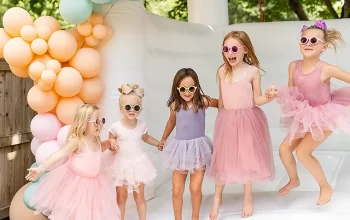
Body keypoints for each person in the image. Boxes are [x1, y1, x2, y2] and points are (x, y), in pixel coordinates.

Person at [271, 19, 350, 205]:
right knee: (284, 149)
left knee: (303, 153)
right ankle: (294, 180)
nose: (308, 44)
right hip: (303, 114)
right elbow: (291, 92)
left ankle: (325, 186)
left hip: (324, 115)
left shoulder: (327, 69)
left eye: (314, 41)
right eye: (304, 40)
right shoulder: (293, 66)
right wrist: (277, 94)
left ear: (324, 47)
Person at [208, 30, 277, 219]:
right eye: (226, 49)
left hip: (248, 119)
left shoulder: (251, 71)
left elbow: (257, 99)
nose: (230, 53)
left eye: (234, 49)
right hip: (227, 119)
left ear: (244, 49)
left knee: (246, 157)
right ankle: (217, 198)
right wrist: (216, 112)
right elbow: (222, 99)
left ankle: (248, 197)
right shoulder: (222, 70)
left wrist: (269, 97)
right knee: (223, 158)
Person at [26, 104, 120, 220]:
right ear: (84, 123)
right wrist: (40, 168)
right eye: (96, 121)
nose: (100, 125)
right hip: (77, 185)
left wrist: (110, 142)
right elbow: (59, 154)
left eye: (102, 120)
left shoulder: (97, 139)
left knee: (92, 214)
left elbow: (100, 148)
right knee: (75, 214)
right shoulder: (77, 142)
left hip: (95, 184)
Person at [160, 68, 218, 220]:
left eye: (191, 88)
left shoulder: (203, 101)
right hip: (180, 150)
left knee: (195, 188)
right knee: (177, 190)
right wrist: (163, 138)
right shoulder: (174, 105)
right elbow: (171, 122)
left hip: (199, 150)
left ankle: (195, 217)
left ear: (196, 87)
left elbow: (222, 105)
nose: (187, 92)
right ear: (177, 88)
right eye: (183, 89)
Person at [108, 83, 161, 220]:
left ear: (140, 109)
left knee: (140, 196)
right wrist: (112, 144)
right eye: (128, 107)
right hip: (120, 165)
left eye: (136, 107)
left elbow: (146, 137)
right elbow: (109, 143)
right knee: (121, 197)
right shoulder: (115, 127)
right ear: (121, 109)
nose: (132, 110)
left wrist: (158, 143)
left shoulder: (142, 125)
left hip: (138, 165)